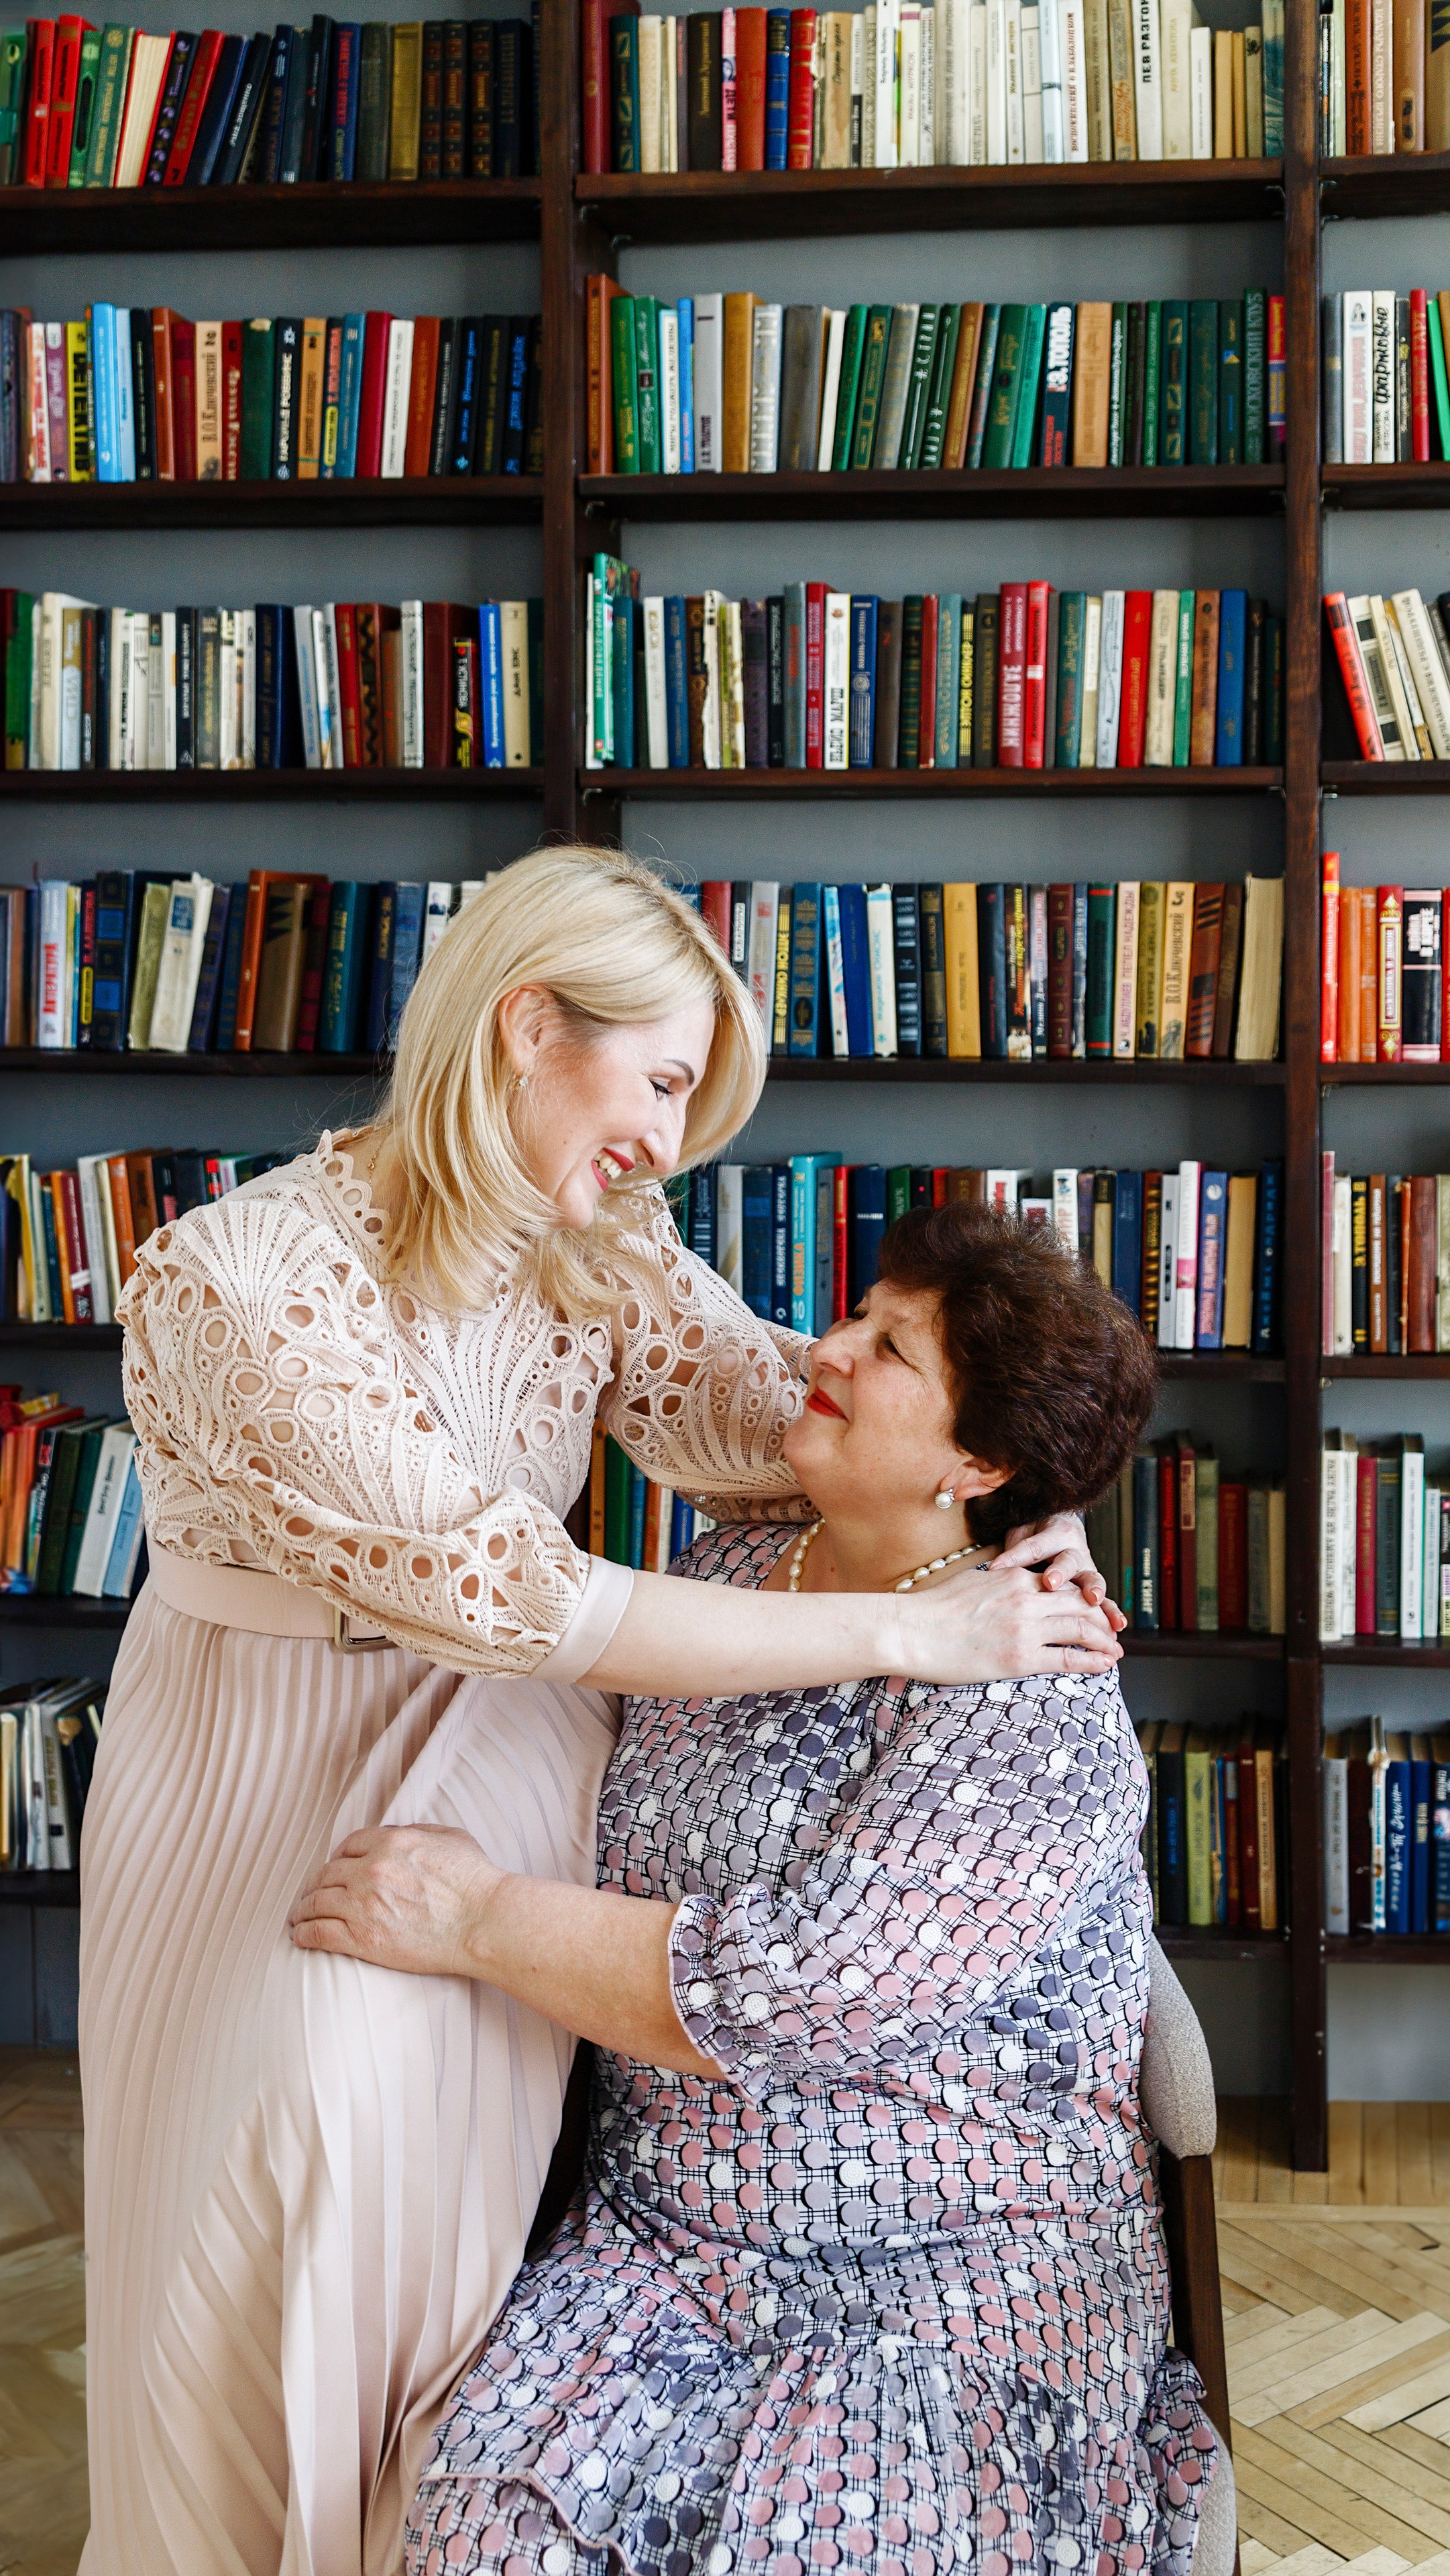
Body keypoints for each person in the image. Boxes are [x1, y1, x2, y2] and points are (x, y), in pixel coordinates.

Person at [81, 849, 1124, 2576]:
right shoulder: (232, 1277)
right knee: (244, 2181)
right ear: (521, 1027)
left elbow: (785, 1408)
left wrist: (1023, 1506)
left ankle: (404, 2535)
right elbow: (534, 1597)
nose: (663, 1141)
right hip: (252, 1733)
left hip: (503, 1734)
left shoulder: (602, 1244)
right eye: (655, 1085)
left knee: (393, 2155)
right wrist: (920, 1635)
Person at [294, 1199, 1216, 2576]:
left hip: (950, 2277)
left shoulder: (1036, 1692)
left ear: (974, 1461)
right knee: (480, 2540)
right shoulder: (730, 1568)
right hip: (664, 2245)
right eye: (858, 1310)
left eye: (889, 1344)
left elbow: (772, 1995)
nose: (827, 1346)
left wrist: (472, 1915)